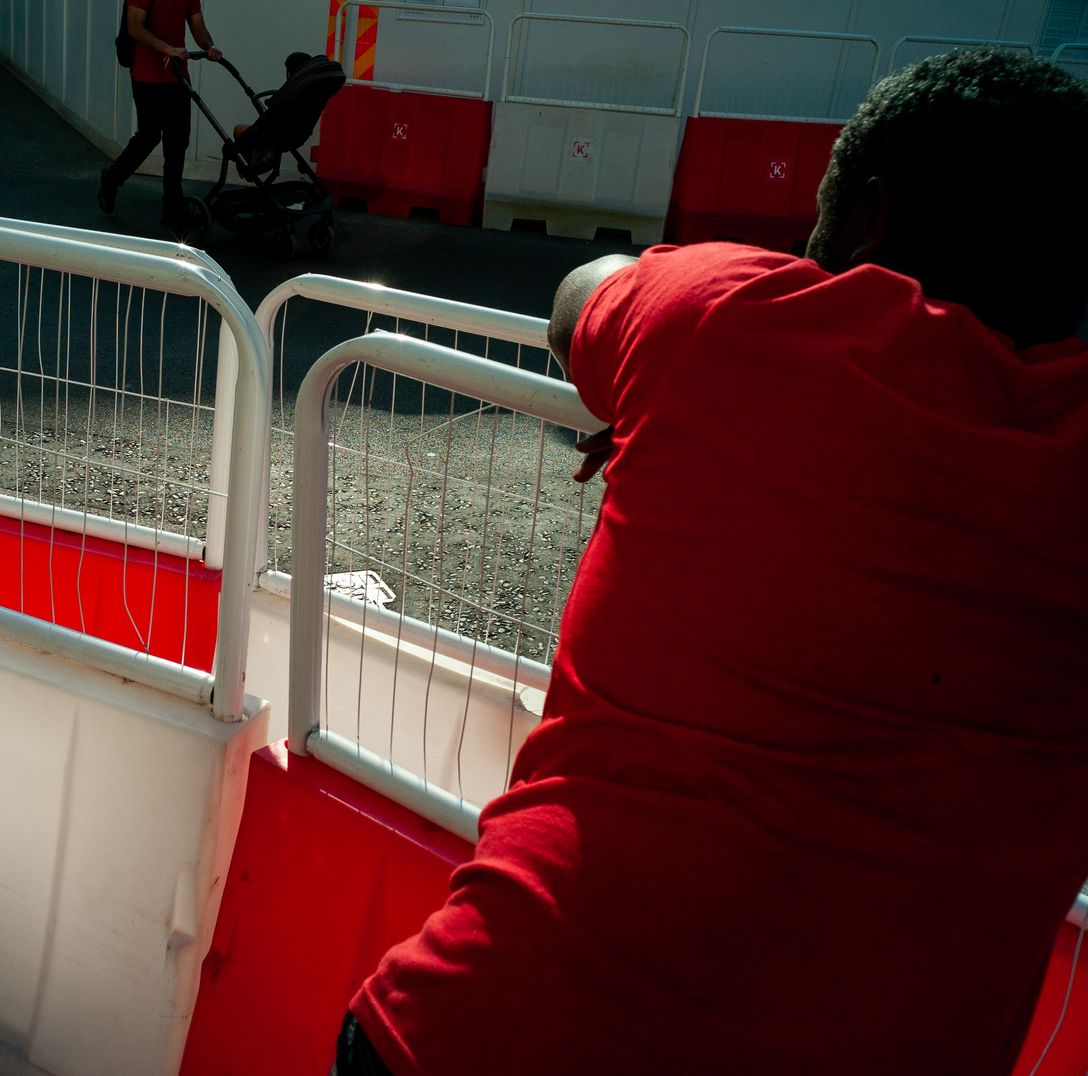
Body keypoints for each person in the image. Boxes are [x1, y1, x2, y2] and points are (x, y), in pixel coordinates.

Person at [336, 49, 1088, 1076]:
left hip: (488, 1023)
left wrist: (671, 392)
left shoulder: (735, 321)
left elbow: (581, 294)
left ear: (866, 217)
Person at [97, 0, 222, 230]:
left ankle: (172, 207)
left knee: (178, 140)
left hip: (177, 76)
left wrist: (209, 47)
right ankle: (112, 178)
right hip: (147, 76)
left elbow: (198, 27)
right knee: (149, 136)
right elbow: (135, 27)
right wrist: (167, 48)